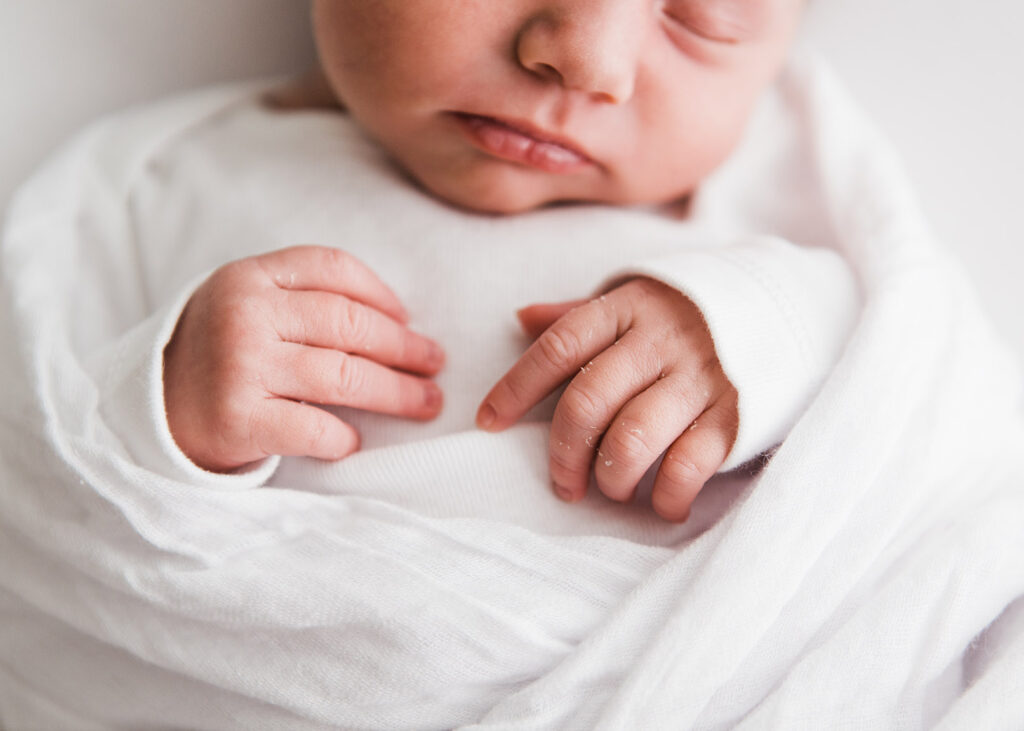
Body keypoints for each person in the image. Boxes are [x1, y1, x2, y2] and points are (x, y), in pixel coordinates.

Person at [162, 0, 857, 522]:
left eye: (701, 12)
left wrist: (750, 332)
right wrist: (167, 406)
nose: (588, 62)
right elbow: (57, 494)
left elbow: (903, 381)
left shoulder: (792, 183)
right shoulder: (167, 178)